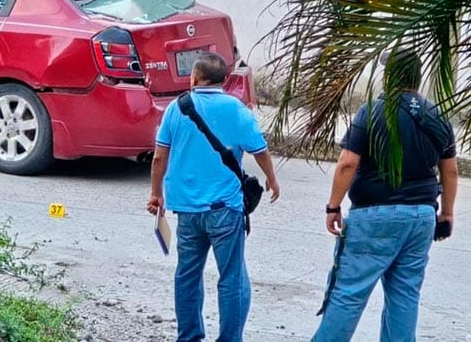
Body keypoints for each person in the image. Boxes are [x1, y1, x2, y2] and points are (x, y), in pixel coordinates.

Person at [312, 48, 458, 342]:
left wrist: (333, 207)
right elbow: (450, 171)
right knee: (405, 295)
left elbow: (347, 163)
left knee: (349, 292)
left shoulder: (372, 111)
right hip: (421, 216)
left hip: (374, 215)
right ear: (416, 78)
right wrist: (447, 213)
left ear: (389, 76)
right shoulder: (437, 116)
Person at [146, 52, 280, 342]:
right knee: (232, 278)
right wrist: (271, 179)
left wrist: (156, 194)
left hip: (187, 212)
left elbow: (159, 157)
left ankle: (189, 337)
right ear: (225, 80)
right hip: (225, 210)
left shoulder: (176, 109)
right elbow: (260, 150)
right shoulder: (237, 110)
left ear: (194, 78)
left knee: (187, 276)